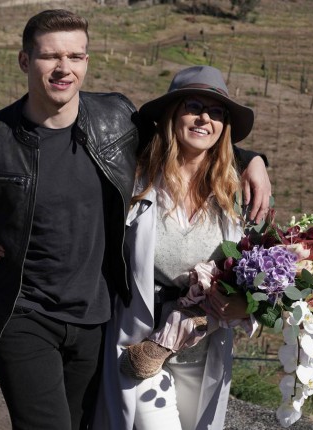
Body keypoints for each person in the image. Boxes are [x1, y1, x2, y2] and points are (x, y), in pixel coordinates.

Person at [0, 9, 271, 430]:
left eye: (75, 56)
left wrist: (252, 160)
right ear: (25, 61)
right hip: (22, 313)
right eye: (51, 56)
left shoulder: (116, 122)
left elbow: (188, 139)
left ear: (86, 61)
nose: (64, 68)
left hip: (97, 320)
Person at [93, 65, 258, 430]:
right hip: (143, 346)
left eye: (216, 112)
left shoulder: (236, 196)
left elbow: (260, 272)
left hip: (203, 348)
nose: (205, 118)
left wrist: (246, 305)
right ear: (172, 115)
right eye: (193, 106)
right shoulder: (135, 182)